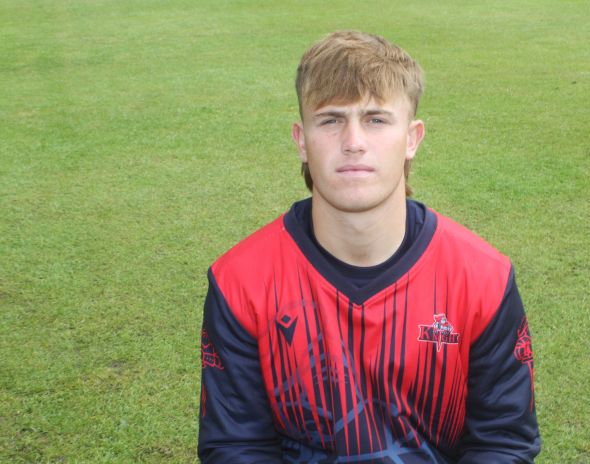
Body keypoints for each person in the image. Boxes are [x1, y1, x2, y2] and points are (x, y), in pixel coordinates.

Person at [198, 30, 541, 463]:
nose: (353, 141)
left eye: (376, 119)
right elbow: (237, 446)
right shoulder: (241, 281)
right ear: (301, 140)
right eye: (330, 120)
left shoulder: (482, 278)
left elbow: (502, 442)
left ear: (412, 138)